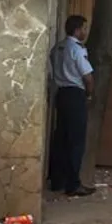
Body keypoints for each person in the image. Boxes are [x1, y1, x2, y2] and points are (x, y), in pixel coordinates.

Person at [47, 15, 97, 197]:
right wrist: (89, 94)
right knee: (76, 141)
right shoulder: (77, 49)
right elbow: (87, 76)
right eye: (84, 28)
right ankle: (73, 184)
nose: (85, 32)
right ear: (77, 30)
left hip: (61, 94)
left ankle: (57, 180)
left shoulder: (57, 47)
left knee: (60, 138)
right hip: (75, 94)